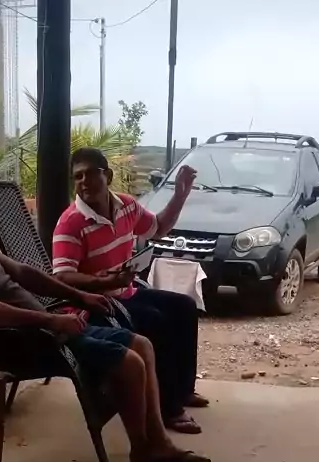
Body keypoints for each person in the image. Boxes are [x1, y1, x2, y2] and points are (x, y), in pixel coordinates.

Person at [0, 159, 211, 462]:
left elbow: (23, 273)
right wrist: (50, 320)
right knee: (129, 361)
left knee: (141, 344)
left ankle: (155, 444)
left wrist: (80, 297)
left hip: (37, 331)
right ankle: (146, 451)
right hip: (11, 343)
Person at [52, 147, 209, 435]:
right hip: (95, 304)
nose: (84, 182)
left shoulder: (126, 206)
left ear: (108, 176)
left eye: (91, 174)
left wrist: (180, 195)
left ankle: (182, 389)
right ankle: (169, 408)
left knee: (185, 306)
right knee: (155, 321)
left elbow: (158, 228)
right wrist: (104, 282)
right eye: (78, 176)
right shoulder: (71, 222)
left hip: (126, 292)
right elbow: (62, 276)